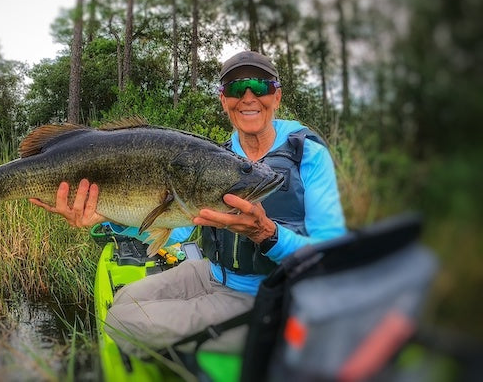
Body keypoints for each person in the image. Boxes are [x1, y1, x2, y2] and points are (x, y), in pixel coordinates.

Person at [29, 50, 347, 355]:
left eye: (261, 86)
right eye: (237, 88)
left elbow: (331, 254)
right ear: (224, 100)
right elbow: (178, 231)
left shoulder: (307, 154)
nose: (249, 96)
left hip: (275, 295)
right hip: (213, 273)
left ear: (276, 96)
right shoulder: (218, 156)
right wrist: (105, 217)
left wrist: (266, 234)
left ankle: (273, 342)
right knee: (123, 299)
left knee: (122, 322)